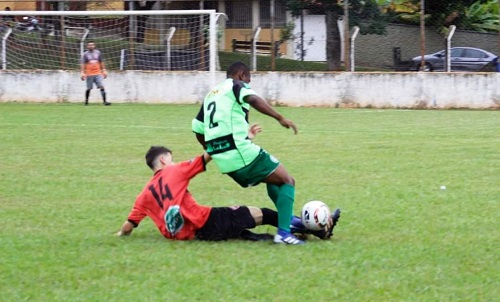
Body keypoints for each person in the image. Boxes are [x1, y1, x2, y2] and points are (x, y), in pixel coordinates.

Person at [191, 62, 340, 245]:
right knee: (288, 180)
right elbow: (253, 100)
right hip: (240, 152)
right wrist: (280, 118)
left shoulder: (211, 95)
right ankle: (284, 233)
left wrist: (214, 149)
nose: (249, 84)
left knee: (273, 179)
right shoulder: (235, 85)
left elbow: (197, 128)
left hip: (225, 161)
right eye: (249, 80)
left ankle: (293, 224)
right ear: (241, 74)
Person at [116, 145, 340, 242]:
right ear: (164, 160)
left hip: (192, 236)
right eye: (171, 158)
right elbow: (208, 155)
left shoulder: (143, 195)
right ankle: (316, 229)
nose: (173, 161)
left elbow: (128, 226)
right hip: (207, 221)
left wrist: (118, 237)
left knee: (250, 234)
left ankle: (308, 231)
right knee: (263, 214)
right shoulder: (174, 171)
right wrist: (238, 140)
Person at [80, 41, 110, 106]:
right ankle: (86, 101)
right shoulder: (85, 54)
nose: (91, 46)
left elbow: (101, 62)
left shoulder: (98, 53)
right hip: (89, 74)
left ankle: (105, 102)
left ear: (94, 46)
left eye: (92, 45)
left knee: (101, 86)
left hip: (98, 73)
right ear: (87, 46)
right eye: (89, 45)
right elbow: (83, 64)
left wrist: (104, 70)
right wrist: (82, 72)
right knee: (89, 88)